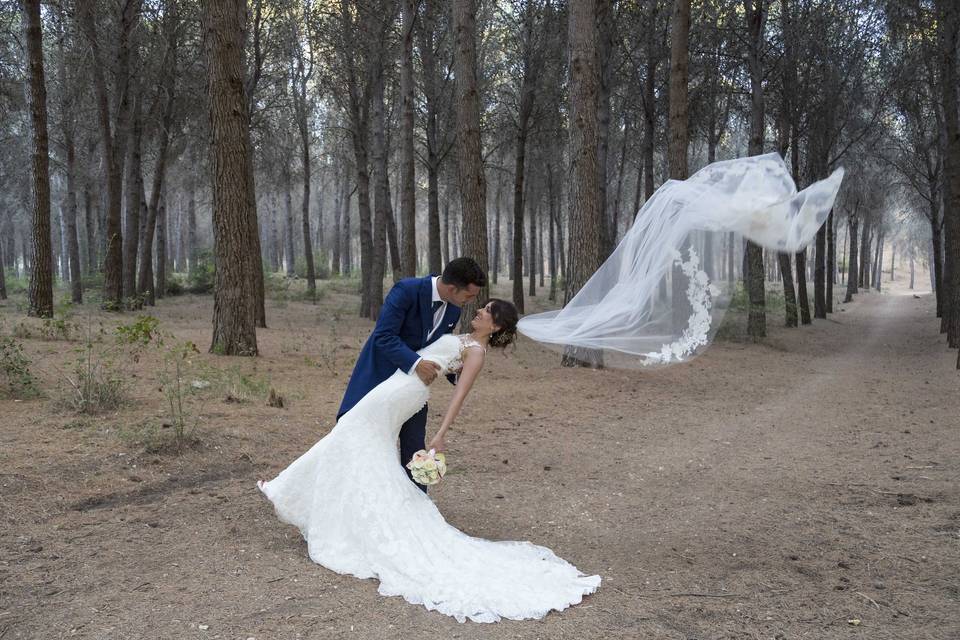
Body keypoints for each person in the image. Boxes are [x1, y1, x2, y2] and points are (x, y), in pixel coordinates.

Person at [258, 299, 601, 622]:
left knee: (351, 433)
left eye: (486, 312)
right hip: (395, 384)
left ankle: (296, 494)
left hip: (405, 393)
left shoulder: (476, 351)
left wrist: (440, 435)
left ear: (495, 327)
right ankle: (327, 506)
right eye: (481, 308)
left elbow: (459, 395)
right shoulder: (463, 336)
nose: (478, 312)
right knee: (354, 439)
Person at [337, 257, 485, 490]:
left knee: (414, 447)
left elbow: (436, 350)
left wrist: (456, 374)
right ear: (451, 288)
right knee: (362, 440)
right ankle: (356, 494)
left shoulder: (453, 311)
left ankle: (417, 506)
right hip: (379, 379)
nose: (471, 302)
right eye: (468, 295)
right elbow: (383, 336)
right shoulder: (406, 290)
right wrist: (416, 363)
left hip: (414, 391)